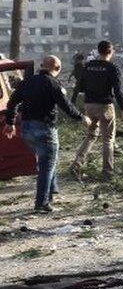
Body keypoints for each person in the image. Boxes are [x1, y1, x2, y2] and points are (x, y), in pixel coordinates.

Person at [3, 56, 90, 213]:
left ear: (42, 66)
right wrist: (82, 117)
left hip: (27, 130)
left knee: (48, 160)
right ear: (56, 68)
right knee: (46, 165)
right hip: (45, 129)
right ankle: (42, 203)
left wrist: (9, 123)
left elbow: (12, 102)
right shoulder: (53, 83)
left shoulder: (27, 81)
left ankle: (51, 191)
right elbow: (66, 105)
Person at [70, 41, 123, 182]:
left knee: (91, 135)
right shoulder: (112, 68)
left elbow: (79, 87)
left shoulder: (88, 66)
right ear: (111, 52)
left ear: (98, 51)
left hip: (89, 105)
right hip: (105, 106)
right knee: (108, 139)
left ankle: (76, 165)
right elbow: (118, 91)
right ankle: (107, 173)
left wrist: (72, 104)